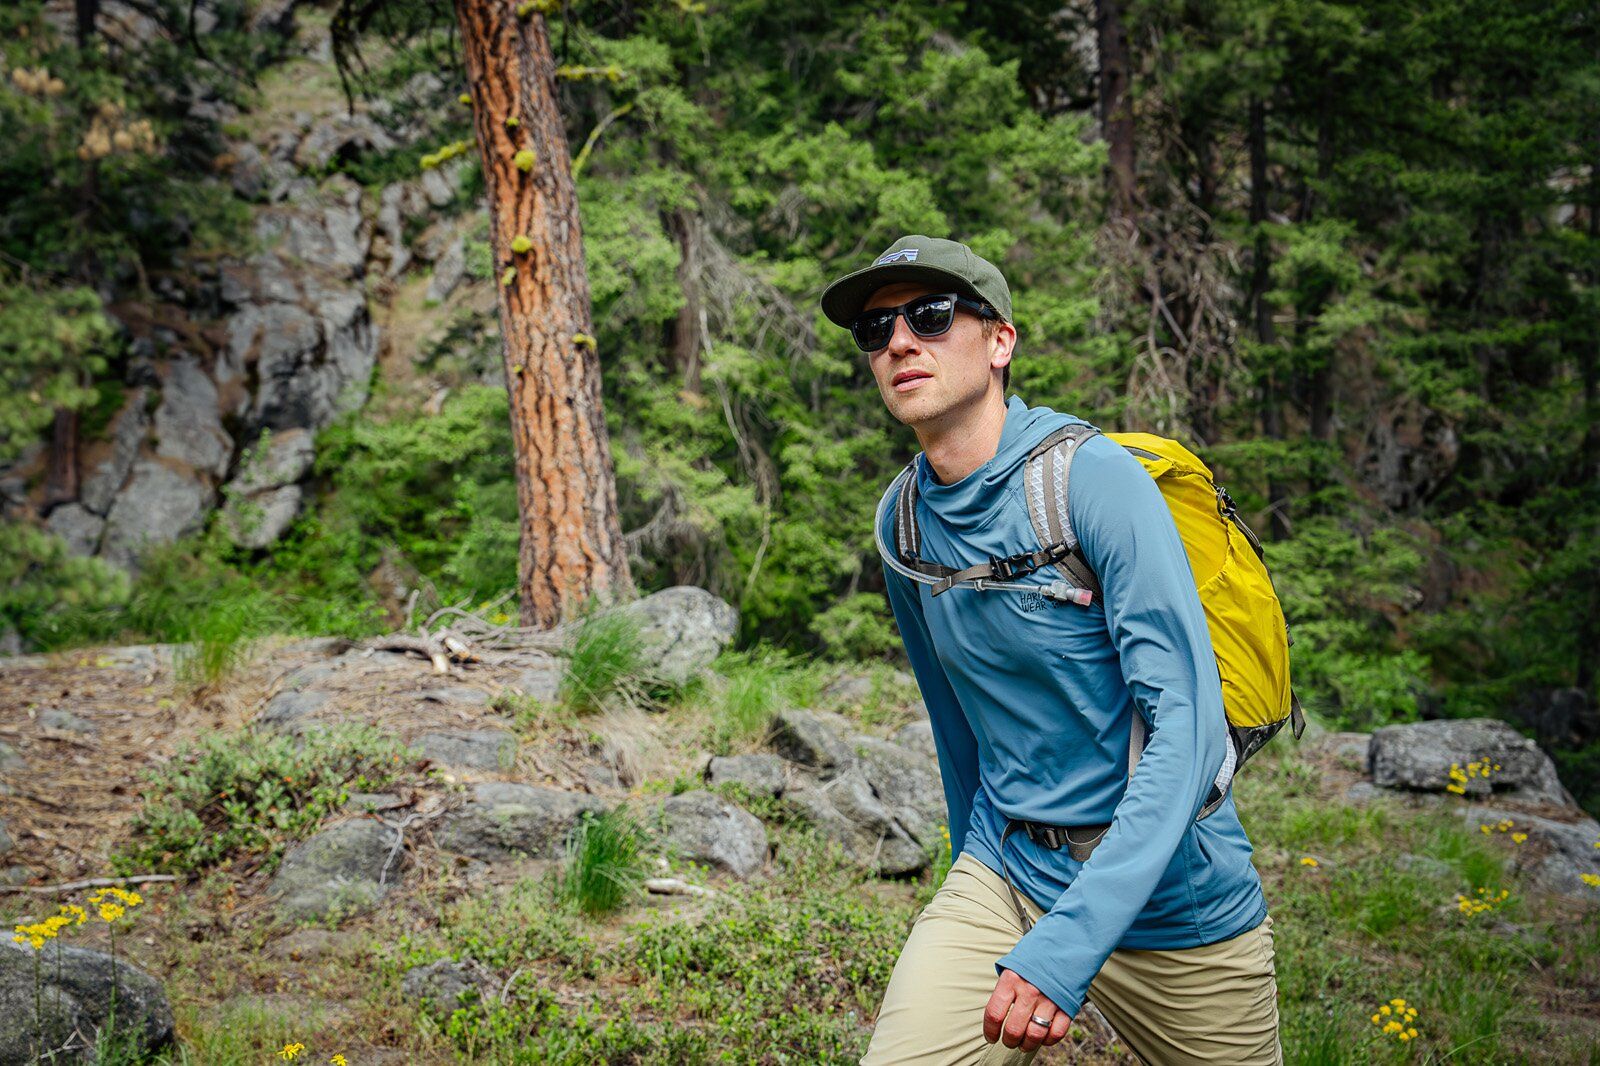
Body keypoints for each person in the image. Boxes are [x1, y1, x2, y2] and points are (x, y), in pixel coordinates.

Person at [819, 235, 1283, 1065]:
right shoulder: (904, 522)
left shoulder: (1091, 480)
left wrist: (1065, 950)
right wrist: (966, 889)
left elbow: (1188, 732)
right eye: (876, 329)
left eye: (931, 315)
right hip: (1007, 874)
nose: (899, 343)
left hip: (1171, 900)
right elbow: (957, 728)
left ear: (1000, 341)